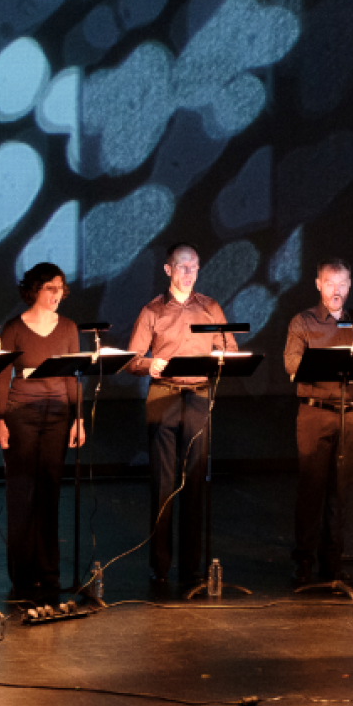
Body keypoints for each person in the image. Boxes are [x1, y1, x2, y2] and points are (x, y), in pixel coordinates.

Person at [127, 242, 237, 589]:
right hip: (164, 396)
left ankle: (192, 567)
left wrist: (224, 356)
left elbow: (230, 348)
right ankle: (160, 566)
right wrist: (150, 364)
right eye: (183, 267)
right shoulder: (152, 310)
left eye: (195, 267)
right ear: (168, 270)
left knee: (194, 483)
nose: (189, 274)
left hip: (199, 397)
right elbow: (131, 359)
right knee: (163, 484)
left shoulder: (210, 307)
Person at [0, 263, 85, 597]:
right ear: (35, 289)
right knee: (21, 495)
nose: (57, 294)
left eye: (60, 287)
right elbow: (3, 375)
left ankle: (49, 572)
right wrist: (0, 419)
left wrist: (79, 418)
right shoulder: (14, 327)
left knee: (49, 493)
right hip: (22, 415)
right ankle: (22, 573)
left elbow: (73, 375)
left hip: (59, 414)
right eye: (50, 288)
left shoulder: (69, 327)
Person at [284, 259, 353, 585]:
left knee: (341, 489)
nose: (336, 291)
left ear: (349, 286)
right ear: (318, 285)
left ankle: (333, 562)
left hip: (349, 413)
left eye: (342, 284)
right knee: (312, 488)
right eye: (330, 284)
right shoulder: (304, 321)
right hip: (314, 412)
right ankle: (305, 561)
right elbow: (292, 363)